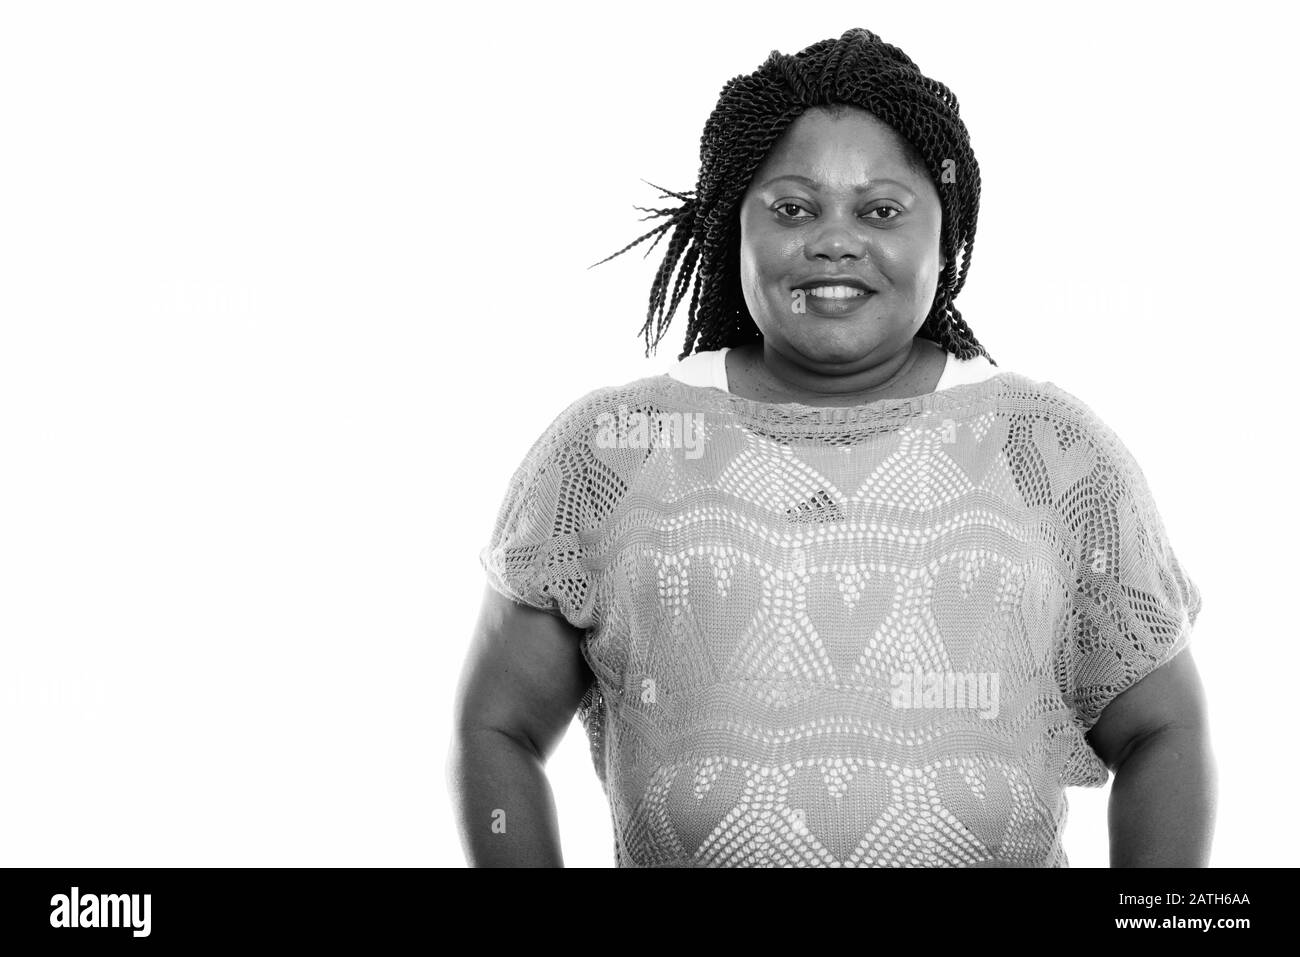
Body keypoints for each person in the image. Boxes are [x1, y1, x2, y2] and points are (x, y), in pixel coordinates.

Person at [448, 27, 1214, 867]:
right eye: (793, 208)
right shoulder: (612, 452)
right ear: (731, 225)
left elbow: (1161, 729)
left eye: (880, 209)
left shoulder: (1052, 453)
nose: (835, 240)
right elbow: (498, 728)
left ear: (944, 232)